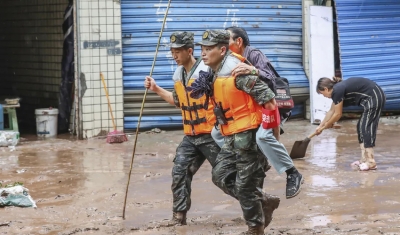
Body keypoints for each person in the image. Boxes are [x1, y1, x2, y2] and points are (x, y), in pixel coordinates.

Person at [193, 29, 280, 235]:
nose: (203, 54)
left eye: (208, 49)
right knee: (220, 175)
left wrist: (273, 142)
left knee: (245, 186)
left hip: (249, 138)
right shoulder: (214, 73)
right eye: (202, 49)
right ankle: (263, 202)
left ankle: (255, 228)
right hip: (231, 137)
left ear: (222, 50)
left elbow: (270, 102)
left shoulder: (236, 73)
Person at [210, 26, 303, 199]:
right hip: (250, 111)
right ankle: (248, 158)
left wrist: (252, 70)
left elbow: (269, 77)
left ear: (238, 42)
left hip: (270, 105)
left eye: (227, 41)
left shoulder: (253, 54)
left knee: (263, 137)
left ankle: (292, 173)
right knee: (216, 133)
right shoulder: (225, 61)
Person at [144, 31, 222, 225]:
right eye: (172, 51)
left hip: (212, 135)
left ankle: (259, 202)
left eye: (178, 51)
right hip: (191, 135)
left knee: (225, 177)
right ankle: (179, 218)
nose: (174, 55)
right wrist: (155, 88)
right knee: (179, 171)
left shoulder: (207, 70)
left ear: (189, 51)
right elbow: (178, 101)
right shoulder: (178, 74)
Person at [315, 76, 386, 171]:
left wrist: (328, 124)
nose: (324, 96)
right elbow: (331, 111)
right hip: (371, 99)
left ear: (326, 89)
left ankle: (371, 162)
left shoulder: (337, 90)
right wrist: (320, 126)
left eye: (322, 94)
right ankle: (364, 160)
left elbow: (338, 114)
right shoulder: (337, 90)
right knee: (360, 127)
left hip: (374, 97)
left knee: (366, 127)